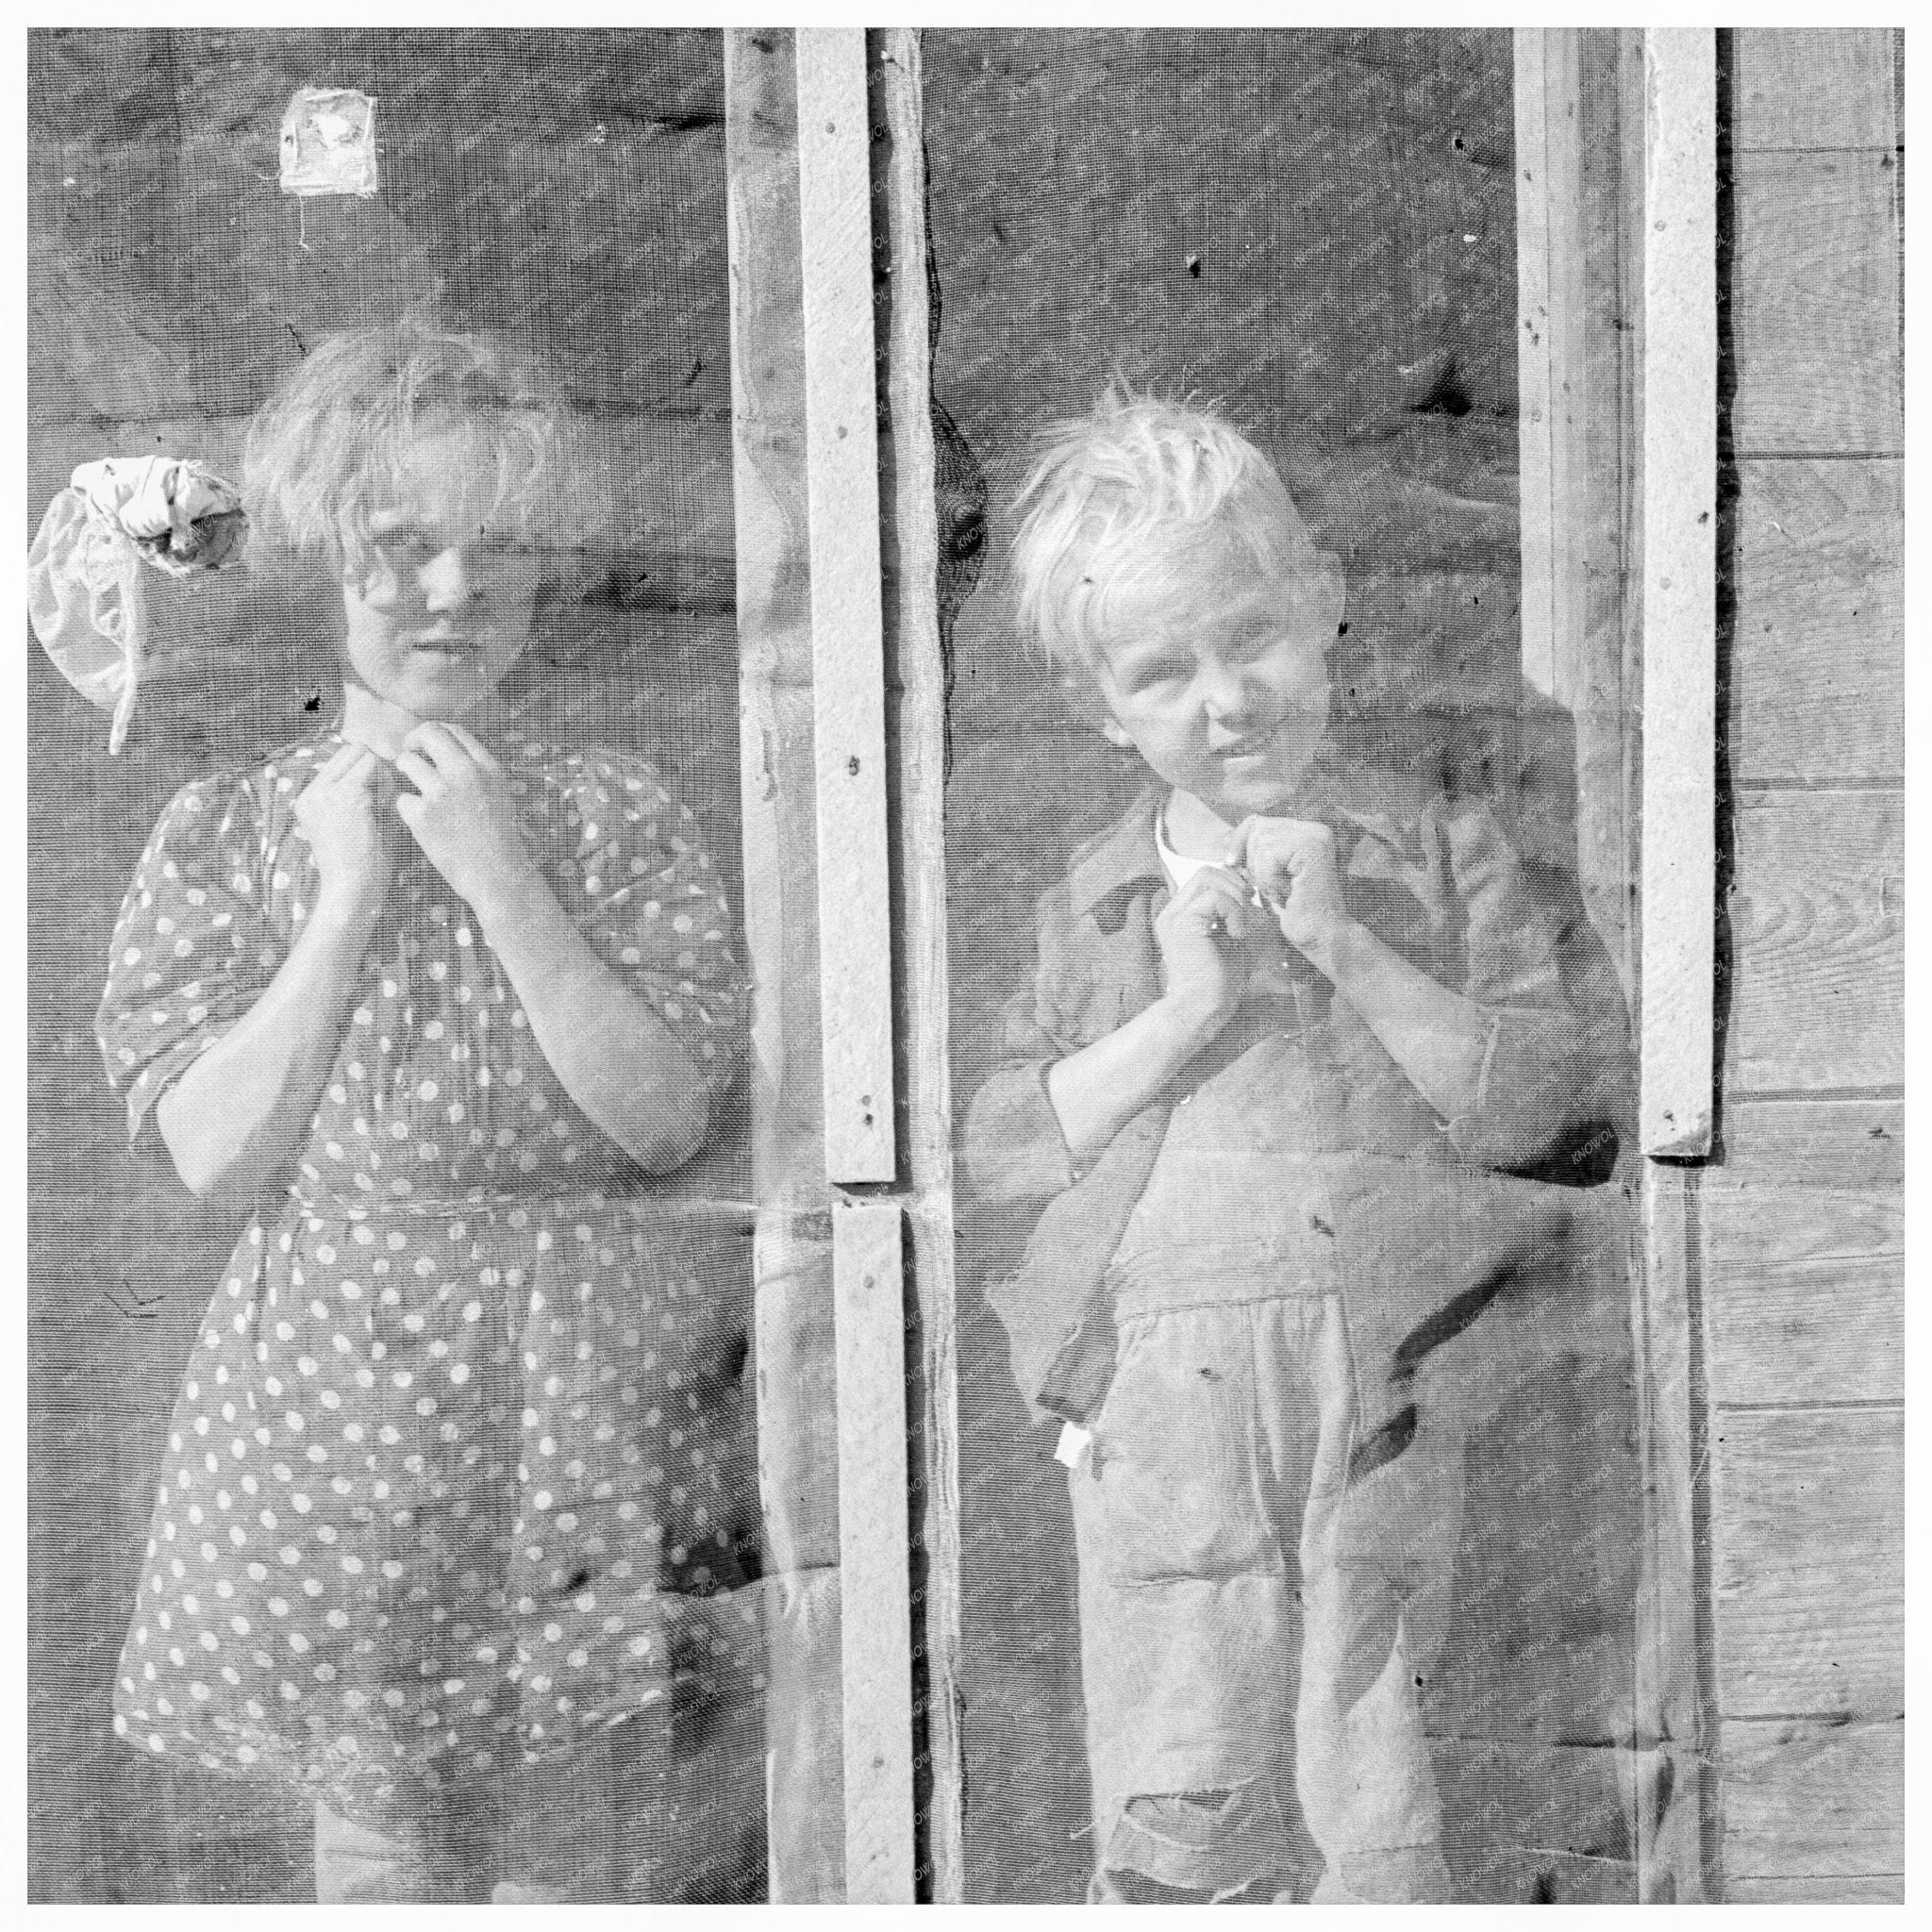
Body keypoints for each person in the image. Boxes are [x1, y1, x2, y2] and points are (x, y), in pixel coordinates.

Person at [94, 320, 758, 1902]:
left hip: (572, 1389)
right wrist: (341, 901)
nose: (455, 592)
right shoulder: (237, 829)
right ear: (327, 557)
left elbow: (662, 1122)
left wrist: (502, 873)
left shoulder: (608, 813)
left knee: (566, 1848)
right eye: (404, 549)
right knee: (380, 1844)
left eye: (500, 549)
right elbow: (213, 1150)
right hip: (339, 1401)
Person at [964, 388, 1627, 1903]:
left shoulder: (1432, 842)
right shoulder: (1097, 898)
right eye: (1164, 670)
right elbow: (1005, 1148)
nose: (1228, 699)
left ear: (1320, 606)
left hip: (1398, 1375)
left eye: (1251, 636)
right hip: (1161, 1404)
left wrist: (1346, 942)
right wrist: (1184, 1012)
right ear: (1101, 708)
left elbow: (1559, 1112)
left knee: (1376, 1760)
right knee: (1182, 1768)